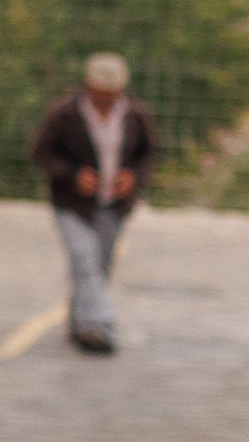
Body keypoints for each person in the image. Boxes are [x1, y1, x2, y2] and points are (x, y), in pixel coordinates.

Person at [30, 52, 155, 355]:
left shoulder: (135, 115)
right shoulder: (64, 114)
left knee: (99, 266)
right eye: (103, 93)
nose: (109, 98)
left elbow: (147, 155)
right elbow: (41, 153)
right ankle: (99, 327)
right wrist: (74, 175)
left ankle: (79, 321)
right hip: (72, 205)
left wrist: (132, 177)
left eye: (114, 93)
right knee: (86, 261)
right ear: (89, 86)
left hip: (113, 205)